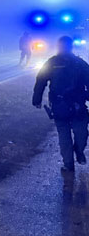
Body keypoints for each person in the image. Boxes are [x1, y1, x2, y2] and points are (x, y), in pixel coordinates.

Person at [32, 36, 89, 173]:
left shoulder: (79, 63)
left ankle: (79, 150)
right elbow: (41, 80)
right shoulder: (51, 63)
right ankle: (68, 164)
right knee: (64, 137)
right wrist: (37, 98)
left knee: (81, 134)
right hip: (59, 105)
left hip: (78, 106)